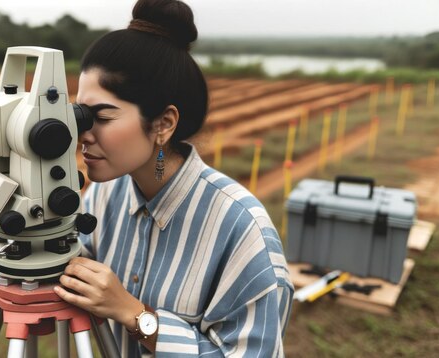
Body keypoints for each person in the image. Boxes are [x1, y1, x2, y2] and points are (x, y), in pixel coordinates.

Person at [53, 0, 293, 356]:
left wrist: (135, 315)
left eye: (101, 117)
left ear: (163, 123)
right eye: (81, 115)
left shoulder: (242, 230)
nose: (83, 134)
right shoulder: (103, 197)